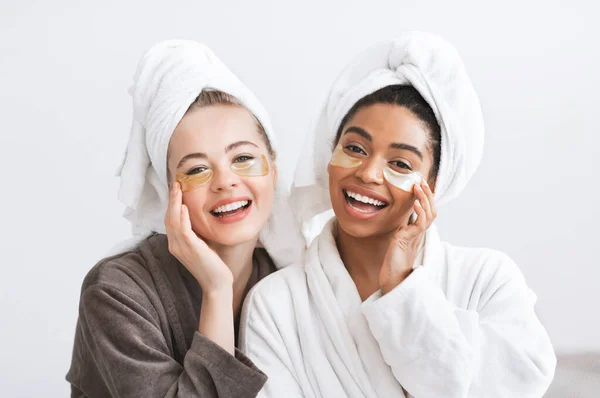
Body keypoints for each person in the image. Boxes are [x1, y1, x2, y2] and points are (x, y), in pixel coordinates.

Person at [240, 32, 556, 397]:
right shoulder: (277, 303)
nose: (369, 173)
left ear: (434, 184)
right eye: (355, 148)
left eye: (400, 163)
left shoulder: (486, 281)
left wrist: (404, 288)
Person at [66, 40, 302, 397]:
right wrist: (217, 290)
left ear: (273, 169)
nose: (226, 182)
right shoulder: (117, 292)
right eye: (197, 169)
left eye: (242, 158)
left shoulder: (292, 282)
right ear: (168, 191)